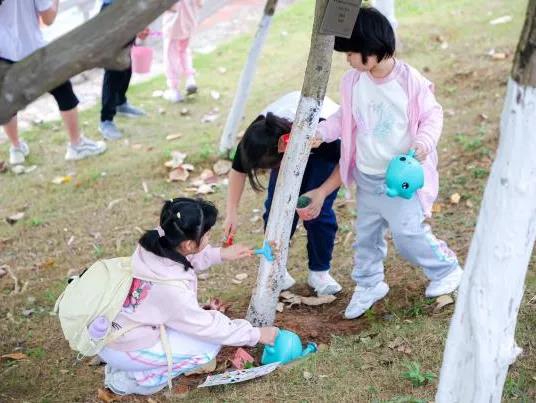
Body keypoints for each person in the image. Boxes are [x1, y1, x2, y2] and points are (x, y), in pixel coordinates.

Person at [302, 7, 463, 319]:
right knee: (366, 237)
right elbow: (344, 117)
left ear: (371, 49)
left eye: (351, 52)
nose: (348, 59)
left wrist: (424, 143)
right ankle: (369, 283)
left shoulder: (409, 81)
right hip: (367, 176)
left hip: (399, 177)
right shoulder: (353, 81)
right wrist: (322, 133)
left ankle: (446, 269)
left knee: (408, 234)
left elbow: (432, 115)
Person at [97, 197, 279, 395]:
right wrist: (255, 334)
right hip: (128, 347)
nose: (209, 237)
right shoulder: (172, 290)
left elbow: (183, 258)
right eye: (206, 234)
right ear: (189, 244)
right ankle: (134, 380)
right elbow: (207, 327)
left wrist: (221, 254)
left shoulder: (155, 242)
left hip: (115, 332)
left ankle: (130, 366)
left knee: (198, 333)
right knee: (208, 347)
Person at [224, 91, 343, 296]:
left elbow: (347, 163)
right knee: (276, 209)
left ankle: (319, 273)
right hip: (288, 145)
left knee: (317, 212)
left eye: (270, 167)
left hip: (322, 150)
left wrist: (322, 192)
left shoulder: (326, 130)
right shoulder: (256, 137)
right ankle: (277, 268)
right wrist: (231, 212)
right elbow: (238, 169)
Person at [0, 0, 106, 165]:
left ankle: (16, 148)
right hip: (32, 50)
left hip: (3, 53)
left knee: (7, 100)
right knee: (63, 89)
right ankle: (76, 144)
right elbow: (48, 19)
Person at [98, 0, 147, 140]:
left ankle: (120, 102)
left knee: (126, 59)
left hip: (130, 7)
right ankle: (106, 120)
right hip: (112, 10)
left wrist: (141, 23)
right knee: (114, 66)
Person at [162, 0, 202, 103]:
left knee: (171, 55)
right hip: (190, 19)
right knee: (184, 51)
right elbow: (200, 3)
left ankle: (174, 89)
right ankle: (190, 79)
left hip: (174, 22)